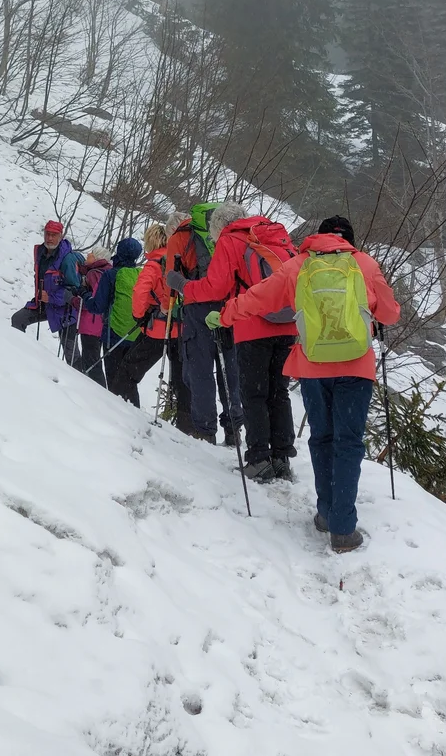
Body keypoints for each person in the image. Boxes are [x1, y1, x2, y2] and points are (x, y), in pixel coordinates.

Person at [223, 215, 400, 554]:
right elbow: (390, 314)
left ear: (318, 237)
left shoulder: (297, 266)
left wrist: (226, 313)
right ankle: (343, 528)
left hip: (314, 366)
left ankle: (325, 512)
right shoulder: (364, 264)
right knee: (348, 443)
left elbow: (259, 298)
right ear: (349, 239)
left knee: (322, 439)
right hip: (356, 366)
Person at [180, 211, 297, 480]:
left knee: (253, 393)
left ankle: (259, 458)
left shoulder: (230, 239)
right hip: (288, 322)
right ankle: (281, 457)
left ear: (219, 226)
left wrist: (186, 288)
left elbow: (216, 288)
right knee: (279, 391)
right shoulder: (274, 235)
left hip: (252, 324)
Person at [163, 200, 245, 444]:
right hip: (228, 306)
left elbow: (170, 277)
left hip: (196, 306)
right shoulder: (228, 235)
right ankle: (233, 429)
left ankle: (205, 431)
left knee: (200, 371)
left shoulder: (179, 237)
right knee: (230, 369)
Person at [116, 224, 181, 414]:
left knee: (127, 371)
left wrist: (139, 316)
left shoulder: (153, 265)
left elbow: (140, 292)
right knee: (180, 379)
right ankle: (186, 423)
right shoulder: (176, 262)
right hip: (180, 328)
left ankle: (118, 411)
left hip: (158, 328)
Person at [92, 236, 149, 401]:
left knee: (113, 377)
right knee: (129, 378)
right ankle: (133, 411)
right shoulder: (141, 274)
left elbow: (98, 306)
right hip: (135, 334)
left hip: (113, 334)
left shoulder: (111, 275)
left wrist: (85, 296)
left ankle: (115, 415)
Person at [10, 220, 82, 345]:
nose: (49, 238)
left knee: (70, 352)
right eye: (47, 234)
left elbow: (74, 290)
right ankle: (18, 355)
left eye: (53, 235)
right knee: (18, 319)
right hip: (42, 304)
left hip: (65, 310)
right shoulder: (40, 253)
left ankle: (75, 366)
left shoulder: (67, 259)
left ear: (61, 235)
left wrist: (50, 297)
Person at [74, 246, 115, 383]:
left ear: (97, 257)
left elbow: (95, 299)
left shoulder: (93, 274)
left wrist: (74, 298)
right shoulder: (108, 272)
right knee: (96, 361)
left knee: (91, 363)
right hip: (104, 323)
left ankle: (97, 394)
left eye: (91, 253)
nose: (88, 254)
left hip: (91, 322)